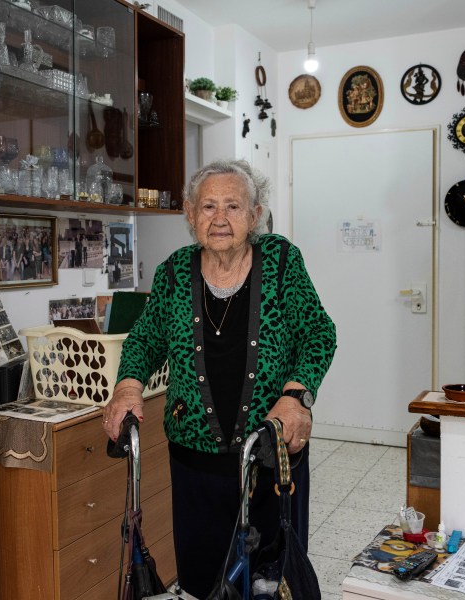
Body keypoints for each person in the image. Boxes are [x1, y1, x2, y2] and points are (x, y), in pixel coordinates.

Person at [102, 159, 336, 598]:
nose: (220, 218)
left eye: (233, 205)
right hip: (195, 465)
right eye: (208, 206)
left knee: (271, 581)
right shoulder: (173, 272)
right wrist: (128, 386)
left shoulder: (282, 261)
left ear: (255, 214)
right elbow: (144, 340)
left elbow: (319, 333)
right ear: (190, 215)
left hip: (270, 454)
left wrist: (296, 397)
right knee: (203, 579)